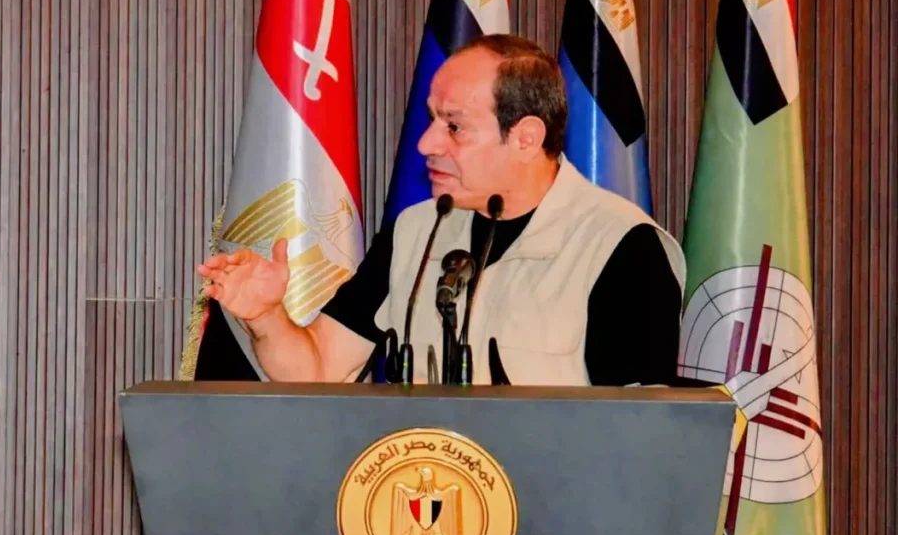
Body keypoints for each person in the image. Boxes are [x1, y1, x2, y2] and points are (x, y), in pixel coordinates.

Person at [196, 34, 685, 387]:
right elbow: (319, 369)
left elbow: (638, 440)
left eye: (455, 127)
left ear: (525, 138)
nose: (427, 143)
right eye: (432, 119)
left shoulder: (623, 246)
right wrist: (266, 316)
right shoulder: (415, 231)